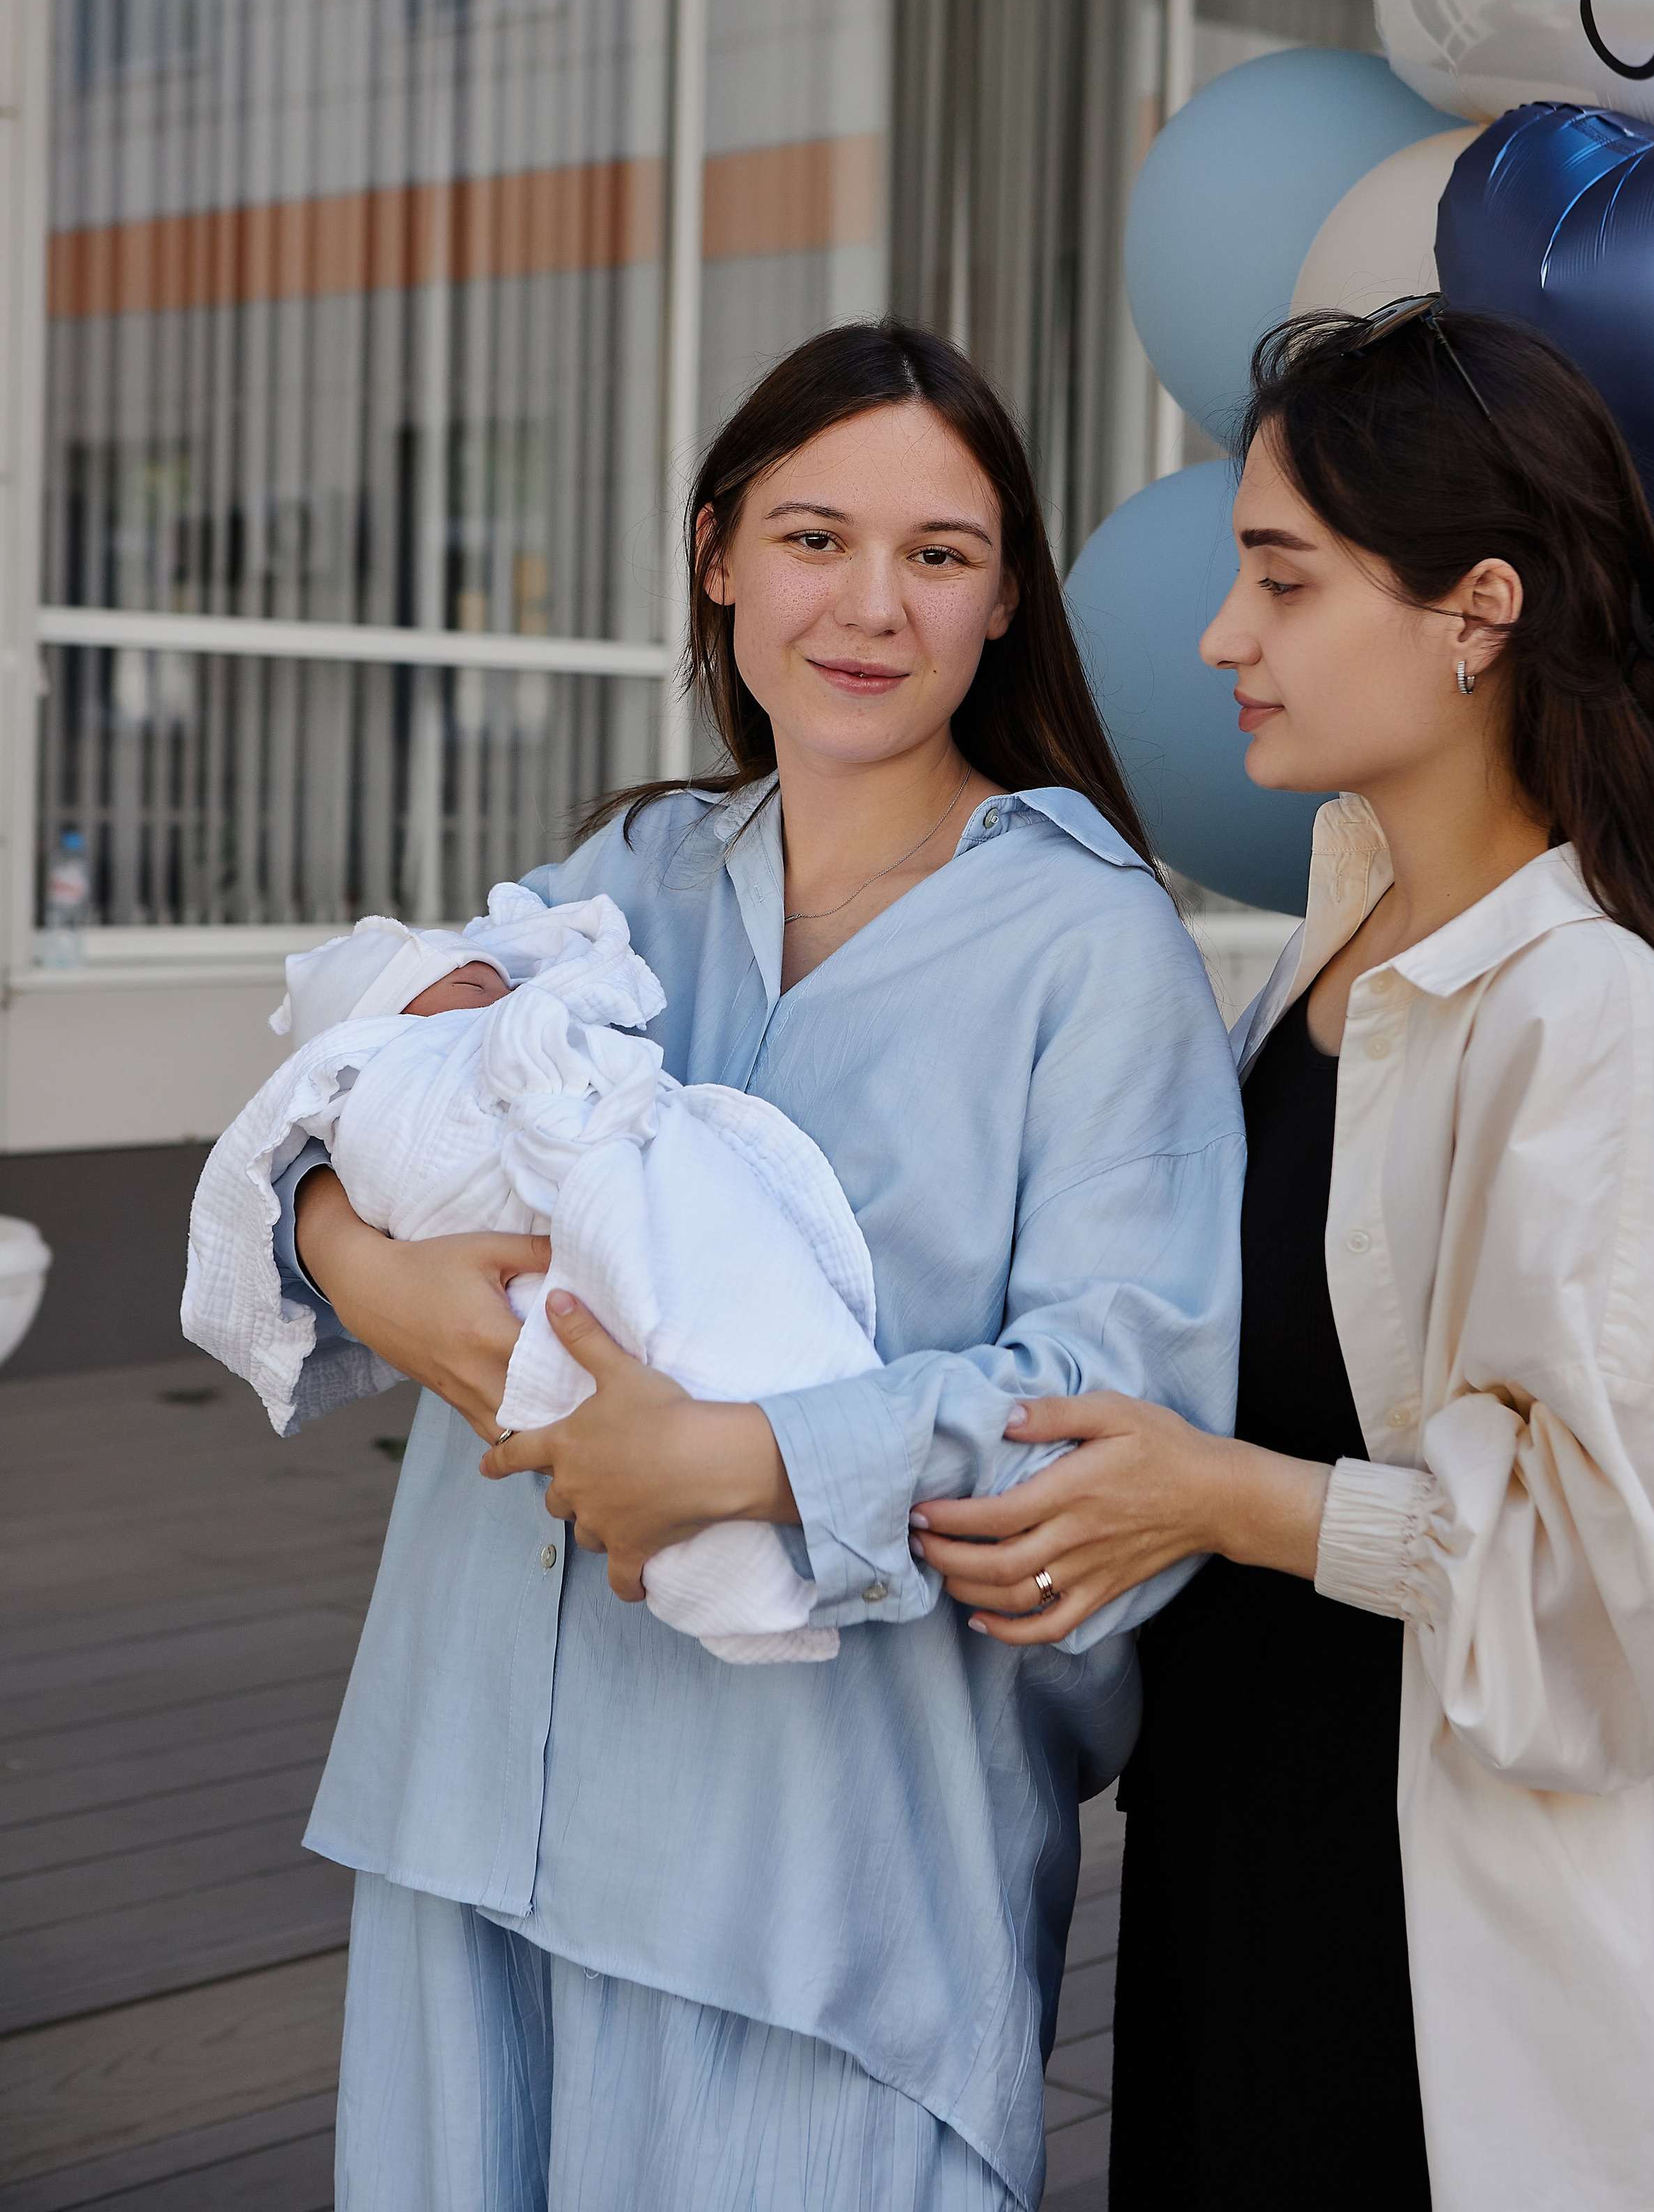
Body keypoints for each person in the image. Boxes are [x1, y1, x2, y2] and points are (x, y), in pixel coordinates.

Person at [240, 319, 1243, 2212]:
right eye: (812, 537)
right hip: (483, 1783)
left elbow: (1127, 1413)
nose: (870, 605)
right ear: (716, 553)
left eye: (938, 554)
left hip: (818, 1871)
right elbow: (357, 1095)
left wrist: (743, 1460)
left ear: (1003, 597)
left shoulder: (1090, 943)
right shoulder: (623, 879)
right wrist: (348, 1260)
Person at [912, 301, 1654, 2212]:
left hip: (1442, 1982)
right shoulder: (1344, 940)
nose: (1221, 636)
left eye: (1283, 579)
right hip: (1239, 1868)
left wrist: (1227, 1499)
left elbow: (1622, 1604)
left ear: (1477, 610)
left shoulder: (1589, 1024)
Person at [182, 890, 888, 1659]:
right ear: (376, 1030)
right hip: (479, 1584)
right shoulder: (606, 878)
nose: (497, 984)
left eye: (497, 981)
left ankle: (808, 1472)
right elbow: (276, 1155)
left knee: (712, 1303)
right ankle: (762, 1535)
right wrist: (354, 1262)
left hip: (625, 1238)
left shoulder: (544, 940)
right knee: (621, 1358)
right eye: (464, 983)